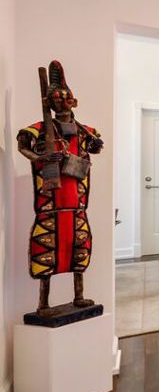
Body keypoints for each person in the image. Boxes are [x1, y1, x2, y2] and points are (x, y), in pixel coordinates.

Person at [17, 61, 103, 316]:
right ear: (49, 102)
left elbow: (95, 145)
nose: (63, 102)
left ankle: (79, 296)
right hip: (50, 206)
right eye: (57, 98)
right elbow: (23, 144)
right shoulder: (41, 129)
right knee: (46, 252)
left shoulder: (83, 131)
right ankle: (43, 303)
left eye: (66, 98)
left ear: (73, 101)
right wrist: (41, 158)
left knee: (79, 250)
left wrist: (95, 145)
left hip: (76, 205)